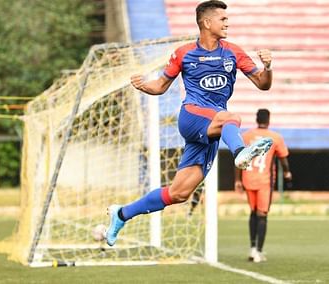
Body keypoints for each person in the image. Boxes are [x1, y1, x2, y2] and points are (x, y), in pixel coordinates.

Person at [105, 0, 274, 246]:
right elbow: (160, 86)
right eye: (222, 19)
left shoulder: (233, 52)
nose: (227, 23)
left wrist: (268, 66)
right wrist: (143, 85)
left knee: (180, 193)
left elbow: (263, 84)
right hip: (192, 117)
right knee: (232, 118)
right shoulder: (183, 53)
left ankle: (121, 214)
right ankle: (240, 153)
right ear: (207, 23)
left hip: (214, 129)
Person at [234, 109, 292, 263]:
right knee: (262, 215)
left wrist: (237, 180)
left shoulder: (246, 136)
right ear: (269, 120)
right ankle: (258, 251)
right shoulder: (275, 137)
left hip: (248, 178)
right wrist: (287, 173)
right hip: (264, 182)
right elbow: (283, 158)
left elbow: (240, 158)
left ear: (256, 119)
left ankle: (252, 248)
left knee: (253, 213)